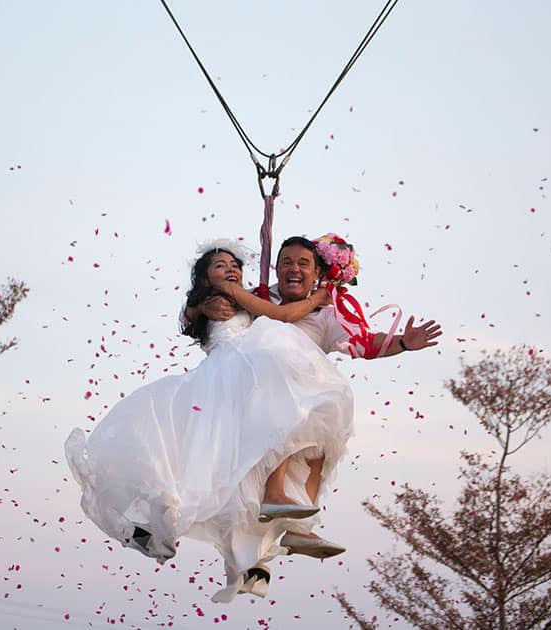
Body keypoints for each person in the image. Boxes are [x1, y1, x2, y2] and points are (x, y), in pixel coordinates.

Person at [66, 240, 351, 603]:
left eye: (234, 265)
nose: (231, 270)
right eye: (220, 265)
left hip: (245, 380)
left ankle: (255, 559)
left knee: (243, 473)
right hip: (230, 375)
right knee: (209, 470)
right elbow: (269, 317)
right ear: (204, 277)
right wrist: (314, 301)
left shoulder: (238, 295)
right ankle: (197, 538)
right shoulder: (221, 297)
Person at [192, 235, 441, 579]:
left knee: (326, 436)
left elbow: (366, 342)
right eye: (286, 263)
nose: (294, 269)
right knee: (285, 416)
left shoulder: (326, 312)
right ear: (276, 268)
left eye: (303, 264)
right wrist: (201, 307)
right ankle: (269, 506)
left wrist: (401, 342)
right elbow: (212, 304)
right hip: (256, 396)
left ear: (318, 273)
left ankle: (299, 526)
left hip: (302, 396)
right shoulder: (259, 298)